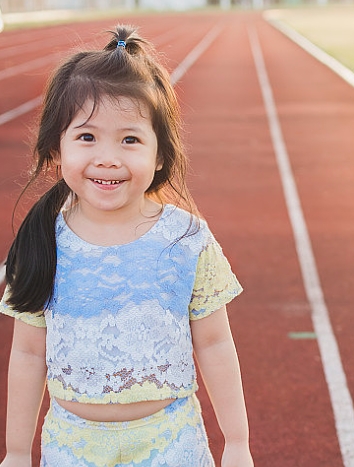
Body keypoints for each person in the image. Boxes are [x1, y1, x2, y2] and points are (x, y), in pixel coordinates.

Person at [0, 25, 253, 467]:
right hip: (71, 446)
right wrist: (17, 451)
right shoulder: (41, 243)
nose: (108, 158)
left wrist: (237, 443)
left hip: (171, 443)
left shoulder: (187, 240)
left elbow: (214, 344)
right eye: (87, 137)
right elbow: (26, 353)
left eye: (130, 139)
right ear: (56, 150)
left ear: (159, 155)